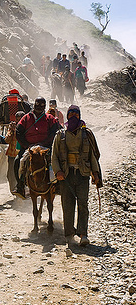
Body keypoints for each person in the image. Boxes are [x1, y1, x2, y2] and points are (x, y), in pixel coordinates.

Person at [51, 105, 101, 247]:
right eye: (71, 114)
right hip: (66, 175)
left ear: (79, 115)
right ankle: (69, 234)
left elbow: (92, 156)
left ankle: (83, 234)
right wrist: (58, 171)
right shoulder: (60, 135)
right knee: (67, 205)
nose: (73, 116)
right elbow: (54, 156)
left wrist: (95, 173)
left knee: (83, 204)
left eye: (76, 114)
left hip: (82, 174)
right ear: (67, 116)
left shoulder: (87, 134)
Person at [14, 97, 59, 198]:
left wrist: (44, 143)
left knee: (56, 160)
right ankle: (20, 185)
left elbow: (54, 132)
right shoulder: (26, 118)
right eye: (37, 105)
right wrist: (26, 145)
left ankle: (58, 184)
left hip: (45, 147)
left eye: (42, 105)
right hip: (29, 147)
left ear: (45, 106)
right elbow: (18, 132)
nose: (39, 107)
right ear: (34, 105)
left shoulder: (49, 118)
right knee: (17, 161)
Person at [5, 111, 24, 193]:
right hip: (12, 154)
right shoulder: (12, 127)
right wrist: (12, 131)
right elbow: (7, 140)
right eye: (17, 119)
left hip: (22, 154)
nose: (18, 121)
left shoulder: (26, 127)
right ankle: (14, 190)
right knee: (10, 175)